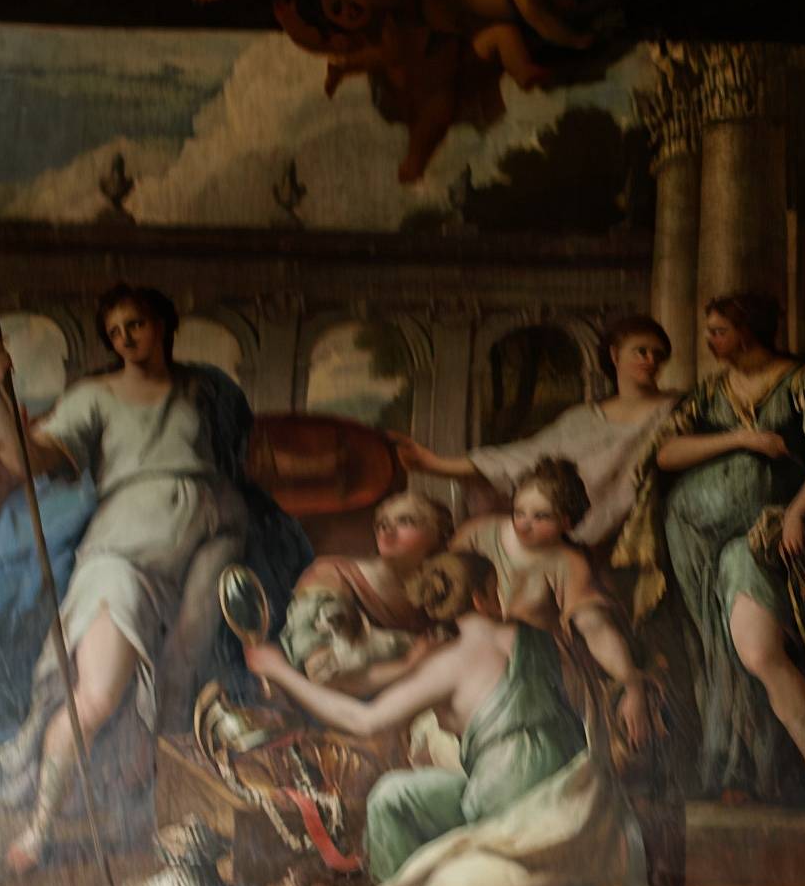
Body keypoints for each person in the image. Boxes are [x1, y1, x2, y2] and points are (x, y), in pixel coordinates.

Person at [240, 551, 779, 886]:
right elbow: (583, 716)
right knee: (395, 796)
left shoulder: (447, 661)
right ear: (488, 592)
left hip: (517, 817)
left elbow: (363, 720)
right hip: (582, 801)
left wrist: (279, 669)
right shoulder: (539, 639)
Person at [0, 281, 311, 872]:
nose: (127, 338)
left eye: (137, 324)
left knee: (183, 676)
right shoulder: (94, 396)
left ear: (164, 325)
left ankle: (163, 818)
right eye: (115, 331)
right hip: (125, 552)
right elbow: (22, 459)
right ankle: (39, 826)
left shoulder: (206, 389)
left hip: (215, 535)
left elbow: (244, 459)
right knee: (96, 695)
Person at [620, 292, 805, 808]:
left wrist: (797, 511)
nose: (709, 340)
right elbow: (665, 453)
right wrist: (740, 439)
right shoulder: (713, 391)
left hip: (763, 539)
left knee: (756, 652)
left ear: (749, 331)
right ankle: (736, 771)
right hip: (694, 541)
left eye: (719, 331)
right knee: (715, 652)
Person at [397, 314, 677, 553]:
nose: (651, 359)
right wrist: (435, 464)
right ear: (615, 355)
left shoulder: (675, 407)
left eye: (658, 354)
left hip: (637, 525)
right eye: (641, 351)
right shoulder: (582, 419)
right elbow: (521, 457)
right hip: (569, 526)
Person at [452, 456, 652, 749]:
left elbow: (594, 626)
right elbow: (444, 580)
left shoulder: (568, 563)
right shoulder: (480, 534)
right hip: (474, 650)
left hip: (535, 667)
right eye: (519, 512)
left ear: (565, 522)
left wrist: (631, 682)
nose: (525, 525)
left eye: (541, 516)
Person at [281, 490, 450, 688]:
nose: (387, 530)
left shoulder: (440, 592)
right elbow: (323, 674)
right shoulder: (331, 575)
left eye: (406, 521)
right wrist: (408, 663)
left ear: (438, 535)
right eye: (382, 524)